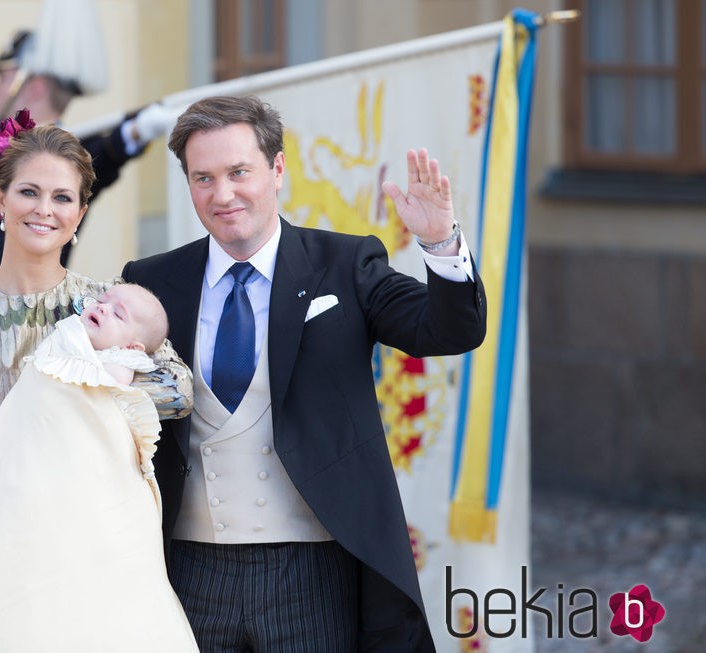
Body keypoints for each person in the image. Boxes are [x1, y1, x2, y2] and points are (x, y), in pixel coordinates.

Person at [122, 95, 488, 652]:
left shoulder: (346, 264)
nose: (223, 195)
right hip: (185, 571)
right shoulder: (152, 281)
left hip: (313, 571)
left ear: (277, 169)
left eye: (239, 172)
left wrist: (440, 245)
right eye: (203, 178)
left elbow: (448, 331)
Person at [0, 115, 193, 649]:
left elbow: (179, 390)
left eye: (62, 198)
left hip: (96, 553)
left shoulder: (109, 302)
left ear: (80, 213)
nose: (45, 209)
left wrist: (90, 384)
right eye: (29, 191)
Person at [0, 283, 198, 651]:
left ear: (132, 347)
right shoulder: (64, 336)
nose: (104, 308)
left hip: (84, 490)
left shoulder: (123, 363)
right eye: (103, 302)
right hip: (21, 486)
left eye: (118, 313)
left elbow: (101, 403)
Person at [0, 25, 177, 277]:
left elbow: (115, 146)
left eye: (2, 78)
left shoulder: (75, 157)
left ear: (32, 87)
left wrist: (141, 128)